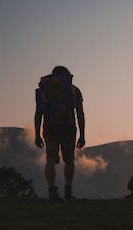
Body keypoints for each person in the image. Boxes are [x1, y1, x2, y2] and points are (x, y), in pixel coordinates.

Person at [34, 66, 85, 202]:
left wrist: (37, 134)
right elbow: (80, 113)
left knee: (50, 160)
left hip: (50, 127)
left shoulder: (45, 90)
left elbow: (39, 113)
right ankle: (68, 193)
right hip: (69, 128)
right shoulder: (74, 90)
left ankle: (52, 192)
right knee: (69, 160)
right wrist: (82, 134)